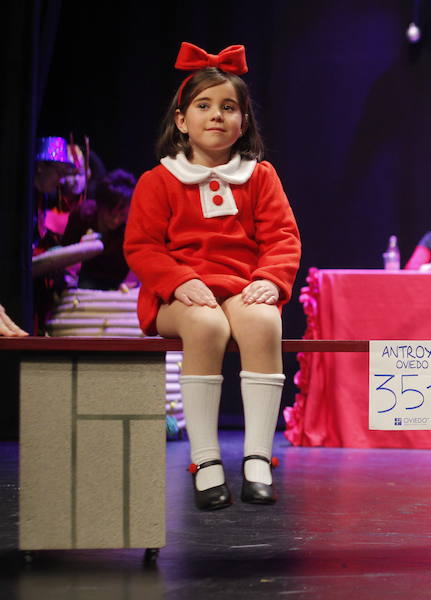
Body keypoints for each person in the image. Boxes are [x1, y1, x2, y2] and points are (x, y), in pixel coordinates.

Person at [124, 42, 301, 511]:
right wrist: (178, 281)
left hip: (241, 288)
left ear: (244, 121)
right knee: (205, 325)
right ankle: (205, 460)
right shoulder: (158, 181)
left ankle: (258, 457)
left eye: (228, 107)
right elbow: (142, 246)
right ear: (182, 120)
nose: (217, 115)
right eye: (203, 106)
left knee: (263, 321)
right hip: (179, 296)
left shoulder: (260, 176)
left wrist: (271, 279)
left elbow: (283, 237)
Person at [61, 169, 137, 290]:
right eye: (111, 214)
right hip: (83, 280)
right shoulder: (81, 215)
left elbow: (137, 263)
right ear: (100, 205)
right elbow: (65, 254)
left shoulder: (131, 226)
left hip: (118, 284)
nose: (116, 220)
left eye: (122, 215)